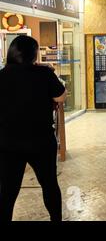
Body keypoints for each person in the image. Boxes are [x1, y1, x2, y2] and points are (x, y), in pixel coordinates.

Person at [0, 36, 66, 221]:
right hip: (41, 141)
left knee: (7, 191)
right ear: (33, 53)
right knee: (49, 185)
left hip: (8, 143)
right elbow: (60, 97)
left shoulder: (2, 75)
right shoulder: (44, 74)